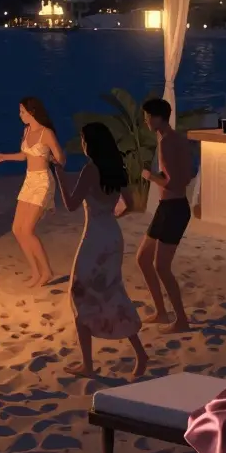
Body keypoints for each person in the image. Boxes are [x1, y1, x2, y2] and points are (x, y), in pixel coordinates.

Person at [57, 122, 147, 378]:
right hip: (112, 236)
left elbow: (72, 204)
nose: (82, 144)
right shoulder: (116, 169)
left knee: (79, 293)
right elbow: (129, 203)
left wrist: (61, 178)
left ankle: (88, 364)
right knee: (113, 293)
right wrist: (112, 215)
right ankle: (140, 353)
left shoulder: (90, 170)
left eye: (84, 140)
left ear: (91, 144)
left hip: (95, 237)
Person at [0, 97, 65, 287]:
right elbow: (25, 155)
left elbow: (61, 158)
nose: (20, 115)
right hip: (29, 181)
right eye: (20, 111)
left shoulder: (46, 133)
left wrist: (54, 160)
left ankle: (47, 271)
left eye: (22, 111)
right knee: (17, 229)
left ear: (32, 112)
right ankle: (35, 272)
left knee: (28, 230)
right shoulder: (26, 131)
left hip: (43, 182)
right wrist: (4, 157)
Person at [137, 97, 193, 333]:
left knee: (161, 267)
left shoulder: (168, 143)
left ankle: (180, 319)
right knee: (142, 259)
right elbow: (188, 173)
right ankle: (161, 312)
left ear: (160, 117)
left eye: (149, 116)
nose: (146, 121)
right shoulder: (174, 139)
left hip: (174, 209)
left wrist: (150, 176)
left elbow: (175, 184)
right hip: (166, 208)